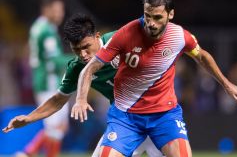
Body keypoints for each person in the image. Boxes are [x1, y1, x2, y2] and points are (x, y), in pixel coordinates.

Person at [71, 0, 237, 157]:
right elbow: (90, 68)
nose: (151, 23)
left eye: (157, 17)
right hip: (126, 118)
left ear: (170, 14)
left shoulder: (180, 36)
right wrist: (80, 99)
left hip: (164, 116)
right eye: (147, 15)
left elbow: (202, 56)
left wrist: (227, 85)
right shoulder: (125, 34)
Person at [2, 13, 164, 157]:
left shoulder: (119, 40)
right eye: (77, 50)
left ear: (97, 36)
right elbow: (58, 100)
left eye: (86, 47)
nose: (83, 55)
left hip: (157, 116)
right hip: (126, 122)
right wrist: (29, 118)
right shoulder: (76, 67)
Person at [13, 0, 70, 157]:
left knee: (59, 126)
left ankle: (28, 152)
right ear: (46, 10)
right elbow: (54, 59)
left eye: (62, 10)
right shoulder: (46, 30)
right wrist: (78, 59)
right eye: (57, 10)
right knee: (55, 127)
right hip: (48, 81)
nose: (60, 14)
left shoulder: (40, 27)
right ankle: (27, 153)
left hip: (44, 80)